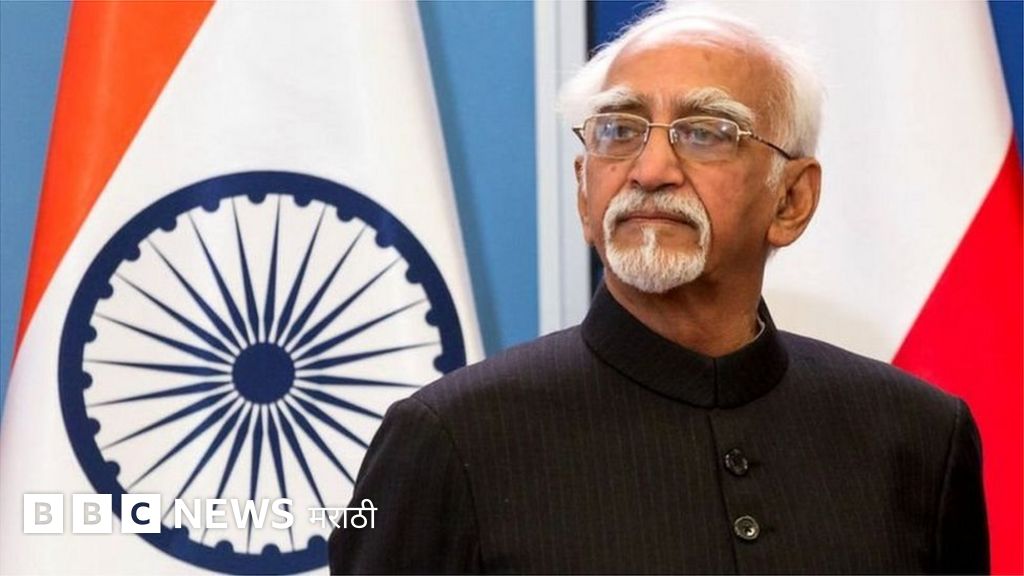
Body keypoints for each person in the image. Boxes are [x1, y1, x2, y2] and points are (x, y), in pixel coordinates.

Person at [329, 5, 988, 574]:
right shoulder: (447, 440)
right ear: (584, 191)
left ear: (791, 200)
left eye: (705, 133)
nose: (650, 169)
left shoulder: (919, 439)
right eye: (619, 130)